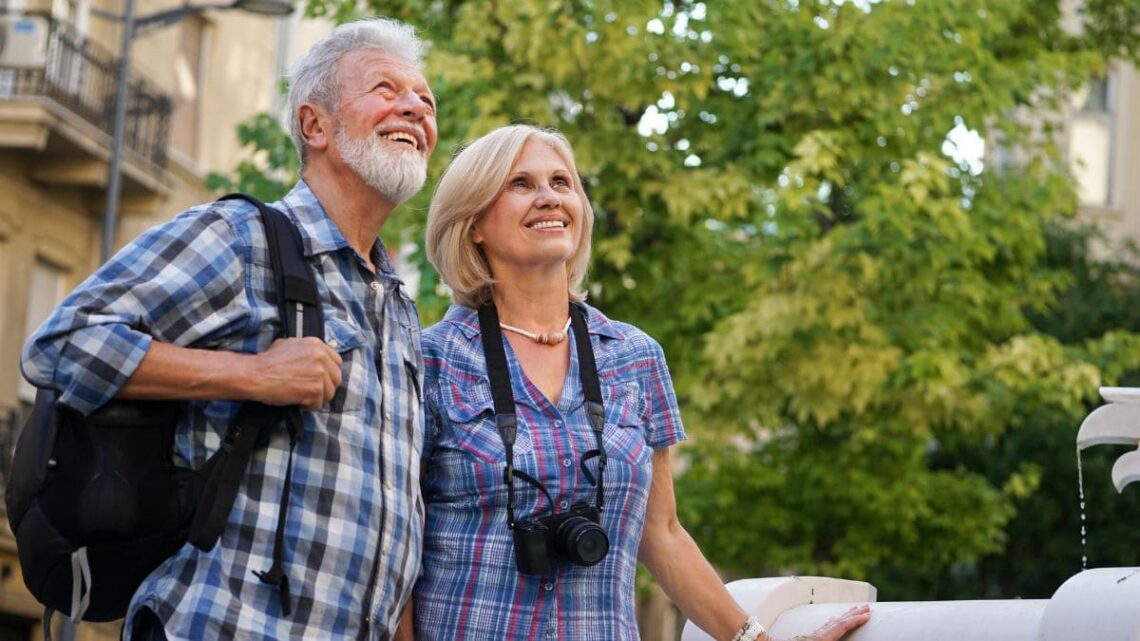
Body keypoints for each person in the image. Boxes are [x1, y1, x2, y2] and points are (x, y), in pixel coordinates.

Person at [20, 17, 437, 641]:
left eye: (427, 100)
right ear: (313, 125)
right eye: (386, 88)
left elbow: (398, 515)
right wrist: (253, 374)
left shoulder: (400, 307)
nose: (415, 107)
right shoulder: (241, 239)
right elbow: (63, 345)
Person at [412, 124, 871, 641]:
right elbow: (399, 544)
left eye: (562, 183)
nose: (549, 198)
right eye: (521, 183)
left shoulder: (633, 356)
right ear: (472, 223)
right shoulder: (431, 358)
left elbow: (664, 534)